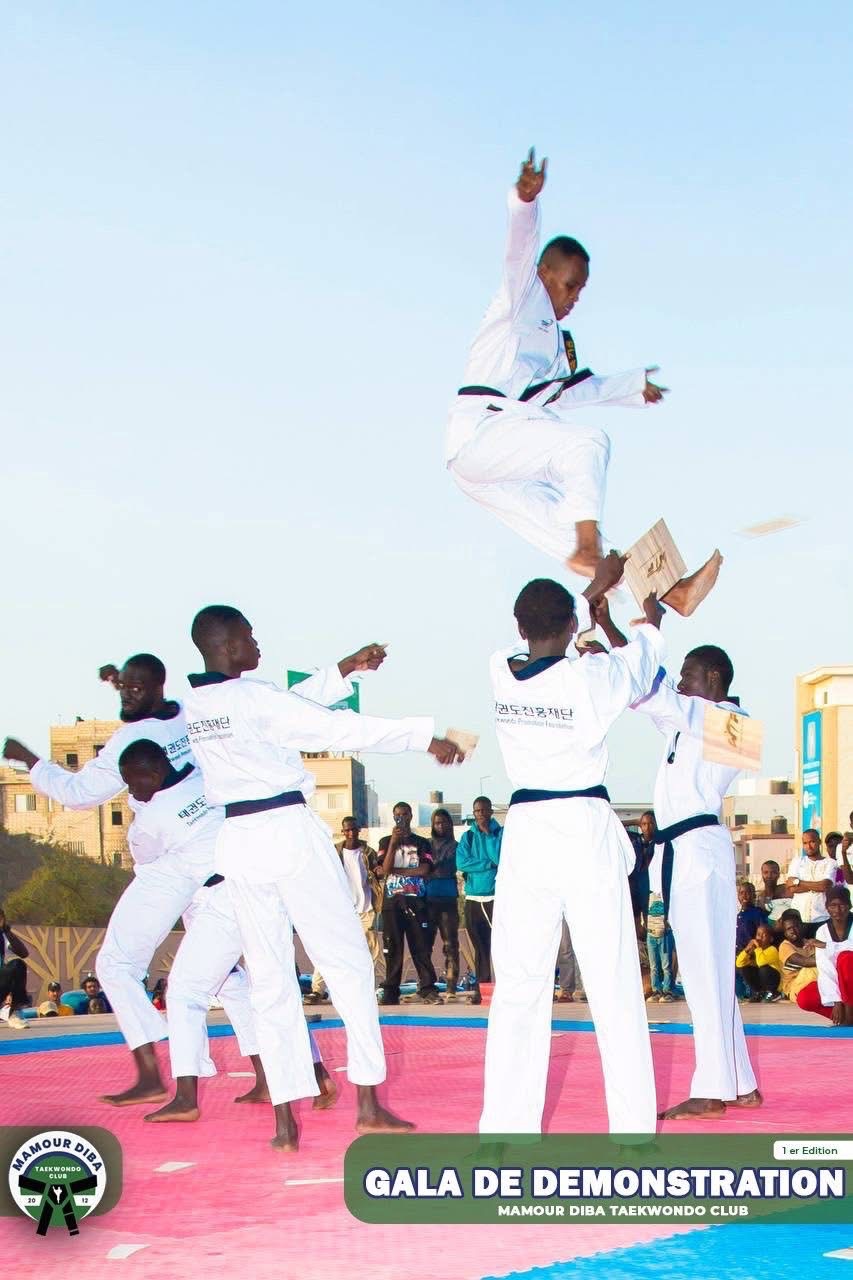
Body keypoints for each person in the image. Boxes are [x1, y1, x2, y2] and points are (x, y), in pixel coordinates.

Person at [183, 604, 463, 1151]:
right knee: (347, 963)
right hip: (287, 832)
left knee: (269, 978)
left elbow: (283, 709)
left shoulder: (198, 703)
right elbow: (325, 725)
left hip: (237, 842)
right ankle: (367, 1102)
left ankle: (284, 1122)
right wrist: (422, 737)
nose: (257, 642)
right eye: (249, 635)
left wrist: (346, 669)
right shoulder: (252, 697)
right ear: (227, 645)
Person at [444, 148, 721, 610]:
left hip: (488, 471)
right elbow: (518, 249)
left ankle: (672, 593)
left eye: (581, 290)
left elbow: (573, 392)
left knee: (569, 528)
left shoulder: (555, 344)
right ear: (544, 275)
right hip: (480, 432)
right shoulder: (520, 300)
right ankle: (589, 545)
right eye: (569, 285)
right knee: (586, 446)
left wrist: (632, 386)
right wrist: (524, 203)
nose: (574, 297)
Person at [480, 553, 665, 1136]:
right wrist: (650, 618)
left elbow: (549, 643)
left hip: (529, 828)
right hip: (581, 825)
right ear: (569, 628)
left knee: (517, 982)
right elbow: (640, 665)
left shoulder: (498, 670)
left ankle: (506, 1130)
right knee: (611, 980)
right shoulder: (589, 679)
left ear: (518, 626)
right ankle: (633, 1131)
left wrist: (588, 599)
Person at [624, 637, 761, 1120]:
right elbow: (648, 697)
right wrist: (618, 646)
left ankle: (711, 1088)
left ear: (715, 680)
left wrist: (628, 635)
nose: (681, 682)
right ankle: (740, 1080)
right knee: (713, 970)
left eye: (690, 675)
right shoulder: (690, 724)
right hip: (688, 852)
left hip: (699, 852)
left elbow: (663, 696)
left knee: (703, 973)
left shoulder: (732, 722)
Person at [308, 817, 383, 1003]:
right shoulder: (334, 852)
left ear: (359, 830)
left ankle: (367, 987)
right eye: (347, 830)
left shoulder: (369, 852)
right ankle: (317, 990)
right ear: (343, 832)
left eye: (354, 830)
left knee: (371, 951)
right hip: (340, 911)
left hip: (366, 909)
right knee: (329, 949)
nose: (351, 833)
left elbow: (377, 874)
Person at [376, 803, 441, 1006]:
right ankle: (391, 989)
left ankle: (428, 987)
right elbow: (384, 869)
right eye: (397, 815)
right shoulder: (385, 841)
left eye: (404, 814)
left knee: (420, 946)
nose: (401, 818)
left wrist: (399, 871)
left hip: (416, 901)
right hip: (392, 902)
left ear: (411, 815)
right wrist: (394, 843)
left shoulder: (422, 843)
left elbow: (424, 869)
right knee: (392, 948)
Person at [456, 797, 502, 1003]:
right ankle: (482, 989)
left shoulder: (500, 834)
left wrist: (488, 836)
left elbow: (500, 858)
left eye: (484, 810)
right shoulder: (468, 837)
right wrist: (487, 864)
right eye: (477, 811)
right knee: (480, 947)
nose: (481, 814)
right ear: (473, 813)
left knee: (500, 945)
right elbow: (462, 863)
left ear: (491, 812)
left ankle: (504, 987)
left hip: (495, 896)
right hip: (474, 897)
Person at [796, 886, 853, 1025]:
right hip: (839, 986)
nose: (838, 910)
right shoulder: (822, 931)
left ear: (850, 906)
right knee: (805, 998)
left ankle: (850, 1015)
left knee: (846, 958)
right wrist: (837, 1000)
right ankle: (845, 1018)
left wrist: (827, 945)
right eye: (833, 905)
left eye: (842, 905)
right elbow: (825, 967)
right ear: (827, 908)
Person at [424, 808, 461, 999]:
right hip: (428, 900)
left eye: (444, 822)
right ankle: (427, 985)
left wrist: (433, 867)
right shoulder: (426, 845)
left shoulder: (456, 845)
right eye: (437, 822)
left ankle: (451, 985)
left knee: (450, 944)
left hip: (448, 899)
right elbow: (423, 868)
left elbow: (449, 866)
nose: (441, 826)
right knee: (425, 945)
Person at [785, 830, 838, 930]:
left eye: (812, 842)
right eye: (805, 843)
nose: (808, 846)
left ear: (819, 842)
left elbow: (825, 886)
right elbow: (792, 888)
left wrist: (798, 882)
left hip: (823, 917)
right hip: (799, 920)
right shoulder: (797, 861)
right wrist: (817, 886)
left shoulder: (830, 863)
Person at [776, 909, 819, 1003]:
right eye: (788, 929)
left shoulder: (810, 943)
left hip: (812, 985)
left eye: (796, 926)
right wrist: (829, 960)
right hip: (794, 988)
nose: (792, 931)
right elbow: (804, 962)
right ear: (785, 933)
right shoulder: (785, 946)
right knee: (812, 969)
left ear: (802, 926)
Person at [736, 922, 783, 1002]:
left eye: (764, 936)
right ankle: (759, 992)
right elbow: (739, 963)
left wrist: (757, 948)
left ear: (771, 939)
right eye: (758, 934)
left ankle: (773, 993)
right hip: (762, 980)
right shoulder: (756, 950)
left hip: (775, 981)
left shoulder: (773, 950)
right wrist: (747, 949)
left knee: (764, 969)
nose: (760, 938)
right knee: (745, 968)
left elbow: (761, 962)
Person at [0, 907, 30, 1028]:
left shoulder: (3, 935)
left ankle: (15, 1013)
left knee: (18, 964)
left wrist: (6, 931)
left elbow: (24, 953)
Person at [646, 887, 675, 1003]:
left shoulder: (666, 894)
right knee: (653, 966)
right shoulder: (647, 894)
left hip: (664, 934)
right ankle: (656, 991)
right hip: (651, 934)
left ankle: (667, 991)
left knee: (666, 966)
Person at [735, 882, 769, 951]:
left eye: (748, 893)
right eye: (741, 893)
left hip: (749, 954)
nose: (744, 896)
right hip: (734, 954)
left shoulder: (758, 913)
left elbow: (763, 934)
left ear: (754, 896)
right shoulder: (736, 914)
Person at [755, 860, 790, 925]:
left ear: (778, 874)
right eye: (766, 872)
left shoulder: (787, 891)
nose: (769, 876)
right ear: (762, 874)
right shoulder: (759, 898)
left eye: (773, 872)